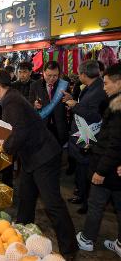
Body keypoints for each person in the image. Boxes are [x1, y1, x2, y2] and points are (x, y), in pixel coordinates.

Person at [0, 69, 78, 258]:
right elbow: (11, 129)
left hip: (43, 157)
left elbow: (18, 132)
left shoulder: (11, 101)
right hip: (32, 157)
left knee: (53, 204)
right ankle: (20, 237)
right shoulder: (11, 98)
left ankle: (69, 249)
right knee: (26, 197)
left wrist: (4, 148)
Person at [76, 63, 121, 258]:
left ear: (119, 83)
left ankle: (87, 239)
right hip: (114, 166)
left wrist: (101, 171)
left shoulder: (118, 108)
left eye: (107, 83)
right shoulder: (114, 102)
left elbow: (115, 144)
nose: (104, 87)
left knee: (96, 204)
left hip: (108, 168)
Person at [62, 60, 107, 214]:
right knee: (81, 170)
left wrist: (75, 106)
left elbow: (94, 116)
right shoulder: (90, 87)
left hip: (89, 137)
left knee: (86, 172)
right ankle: (81, 195)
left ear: (83, 74)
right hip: (80, 137)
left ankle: (87, 202)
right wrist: (72, 100)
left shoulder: (99, 90)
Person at [29, 61, 69, 147]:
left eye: (55, 76)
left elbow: (69, 104)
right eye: (49, 75)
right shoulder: (35, 85)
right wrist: (34, 105)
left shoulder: (64, 85)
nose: (51, 78)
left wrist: (69, 99)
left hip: (59, 126)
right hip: (42, 125)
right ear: (43, 73)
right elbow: (29, 104)